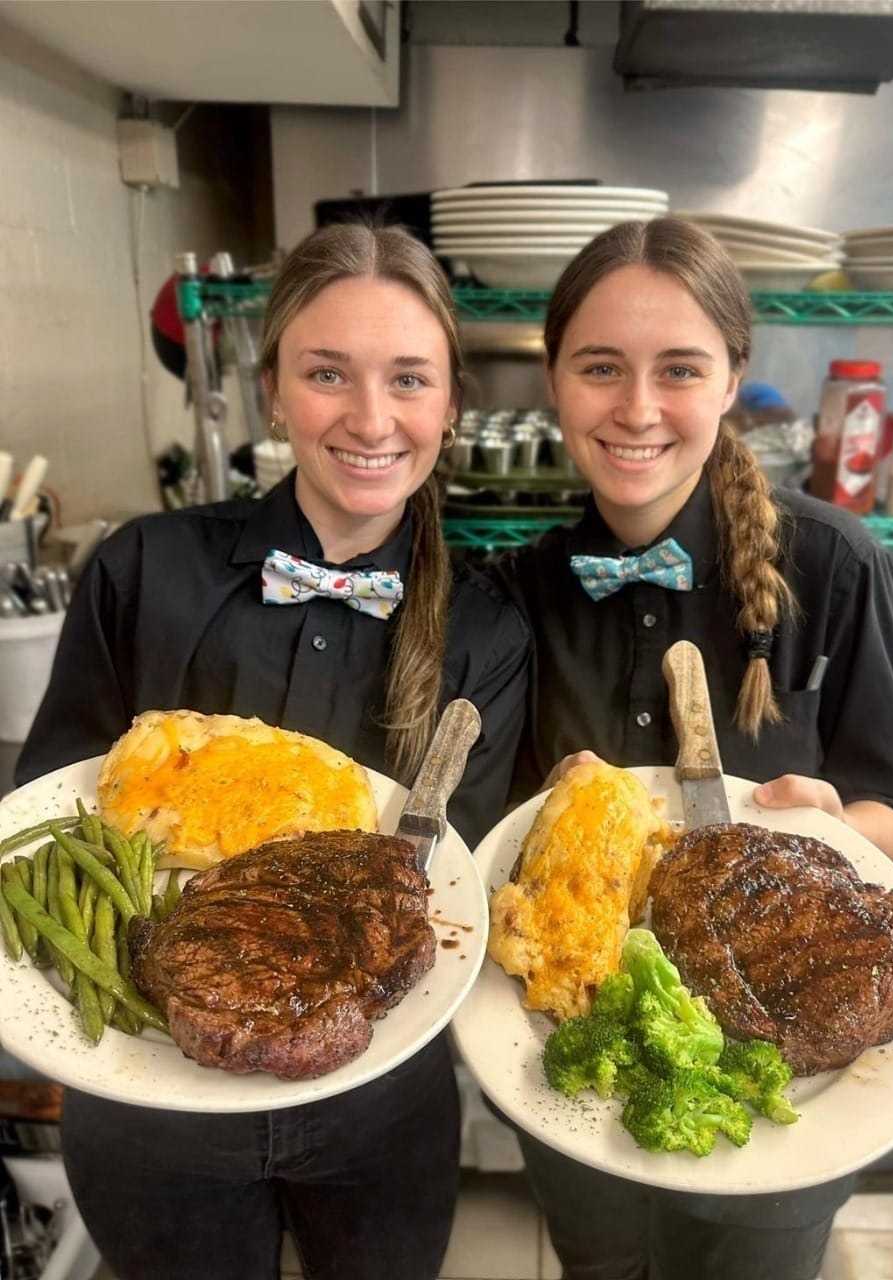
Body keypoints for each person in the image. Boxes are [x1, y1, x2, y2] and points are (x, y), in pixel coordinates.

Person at [15, 222, 530, 1280]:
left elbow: (444, 897)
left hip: (381, 1099)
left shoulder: (488, 630)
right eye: (327, 372)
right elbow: (47, 814)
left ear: (450, 403)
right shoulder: (140, 567)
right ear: (273, 391)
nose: (372, 417)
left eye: (409, 378)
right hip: (141, 1089)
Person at [493, 216, 893, 1280]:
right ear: (553, 378)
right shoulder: (514, 587)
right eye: (599, 366)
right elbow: (493, 839)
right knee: (598, 1260)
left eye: (679, 369)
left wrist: (832, 823)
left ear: (732, 377)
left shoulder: (835, 563)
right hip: (576, 1073)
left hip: (780, 1085)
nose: (637, 408)